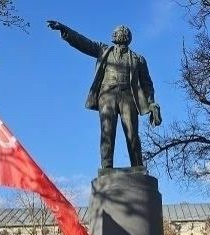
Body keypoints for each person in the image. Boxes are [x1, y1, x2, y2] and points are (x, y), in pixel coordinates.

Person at [46, 21, 162, 169]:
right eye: (119, 31)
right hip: (107, 95)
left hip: (128, 97)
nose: (121, 33)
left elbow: (147, 83)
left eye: (124, 32)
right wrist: (64, 30)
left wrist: (151, 102)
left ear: (128, 37)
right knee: (107, 132)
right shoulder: (103, 50)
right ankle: (106, 168)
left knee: (132, 134)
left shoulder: (138, 59)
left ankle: (138, 167)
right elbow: (84, 43)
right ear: (114, 36)